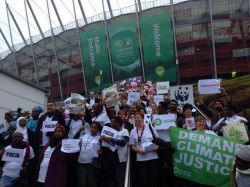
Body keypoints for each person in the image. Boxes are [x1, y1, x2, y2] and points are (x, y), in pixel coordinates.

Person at [129, 113, 159, 187]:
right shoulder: (132, 131)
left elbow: (157, 139)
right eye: (135, 118)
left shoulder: (149, 127)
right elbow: (132, 146)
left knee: (154, 179)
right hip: (141, 159)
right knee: (143, 180)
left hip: (153, 157)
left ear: (142, 119)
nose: (136, 119)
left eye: (138, 117)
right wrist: (138, 150)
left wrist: (154, 147)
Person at [101, 117, 129, 187]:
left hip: (120, 159)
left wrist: (110, 138)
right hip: (110, 159)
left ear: (117, 123)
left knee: (120, 179)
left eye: (112, 122)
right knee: (111, 180)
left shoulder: (124, 131)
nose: (111, 124)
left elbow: (123, 142)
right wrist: (103, 139)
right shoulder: (110, 131)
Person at [77, 122, 101, 187]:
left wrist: (101, 152)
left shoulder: (100, 138)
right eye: (92, 127)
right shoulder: (84, 136)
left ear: (98, 129)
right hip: (81, 162)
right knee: (82, 183)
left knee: (92, 182)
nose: (93, 129)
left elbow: (102, 150)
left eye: (95, 128)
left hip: (92, 164)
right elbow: (76, 144)